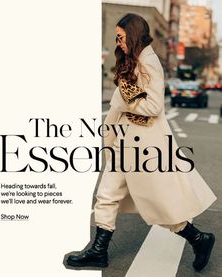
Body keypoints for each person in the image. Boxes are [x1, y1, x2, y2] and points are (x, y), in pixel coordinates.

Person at [66, 13, 217, 272]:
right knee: (106, 195)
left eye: (121, 37)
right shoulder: (134, 59)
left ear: (133, 34)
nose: (118, 42)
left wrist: (127, 96)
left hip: (142, 146)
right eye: (116, 37)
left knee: (159, 202)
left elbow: (155, 106)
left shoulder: (149, 61)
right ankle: (99, 252)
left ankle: (199, 239)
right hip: (124, 142)